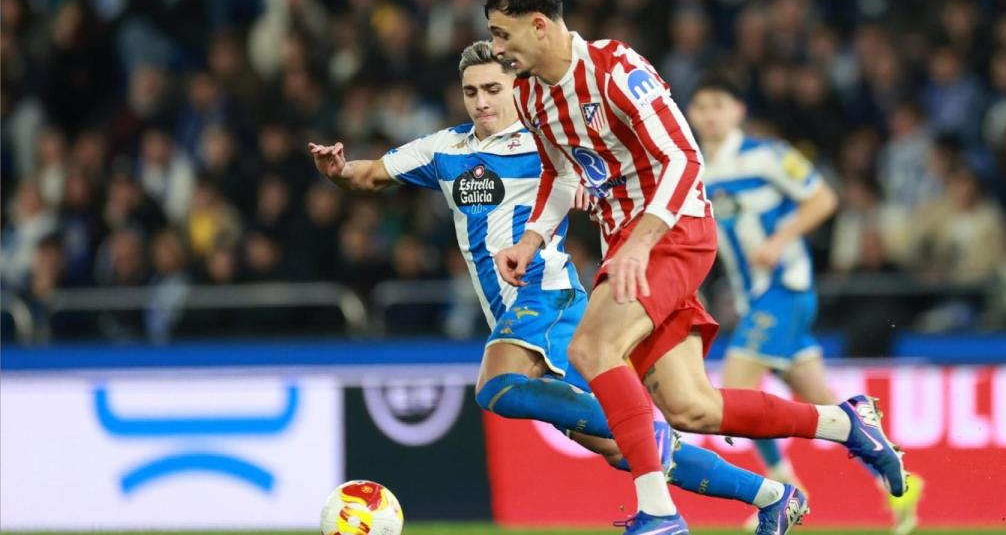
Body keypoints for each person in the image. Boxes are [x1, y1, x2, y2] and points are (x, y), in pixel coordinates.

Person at [310, 40, 809, 534]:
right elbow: (370, 175)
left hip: (546, 295)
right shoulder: (445, 148)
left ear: (515, 86)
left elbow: (607, 181)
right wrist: (338, 171)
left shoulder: (545, 141)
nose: (482, 101)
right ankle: (772, 496)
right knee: (621, 451)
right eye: (470, 91)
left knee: (497, 386)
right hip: (522, 312)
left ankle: (643, 429)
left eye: (492, 88)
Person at [486, 0, 906, 534]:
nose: (496, 47)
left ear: (539, 26)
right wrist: (532, 239)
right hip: (629, 247)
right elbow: (561, 174)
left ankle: (659, 512)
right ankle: (845, 424)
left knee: (593, 346)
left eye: (501, 34)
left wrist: (640, 245)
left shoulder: (617, 69)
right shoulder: (533, 96)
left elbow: (685, 160)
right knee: (692, 407)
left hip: (674, 232)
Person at [690, 75, 925, 535]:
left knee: (733, 386)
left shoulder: (769, 156)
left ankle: (783, 489)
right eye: (701, 107)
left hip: (787, 289)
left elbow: (823, 198)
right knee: (828, 406)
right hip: (753, 297)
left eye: (719, 104)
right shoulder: (696, 170)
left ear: (738, 110)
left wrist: (780, 239)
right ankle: (897, 478)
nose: (710, 114)